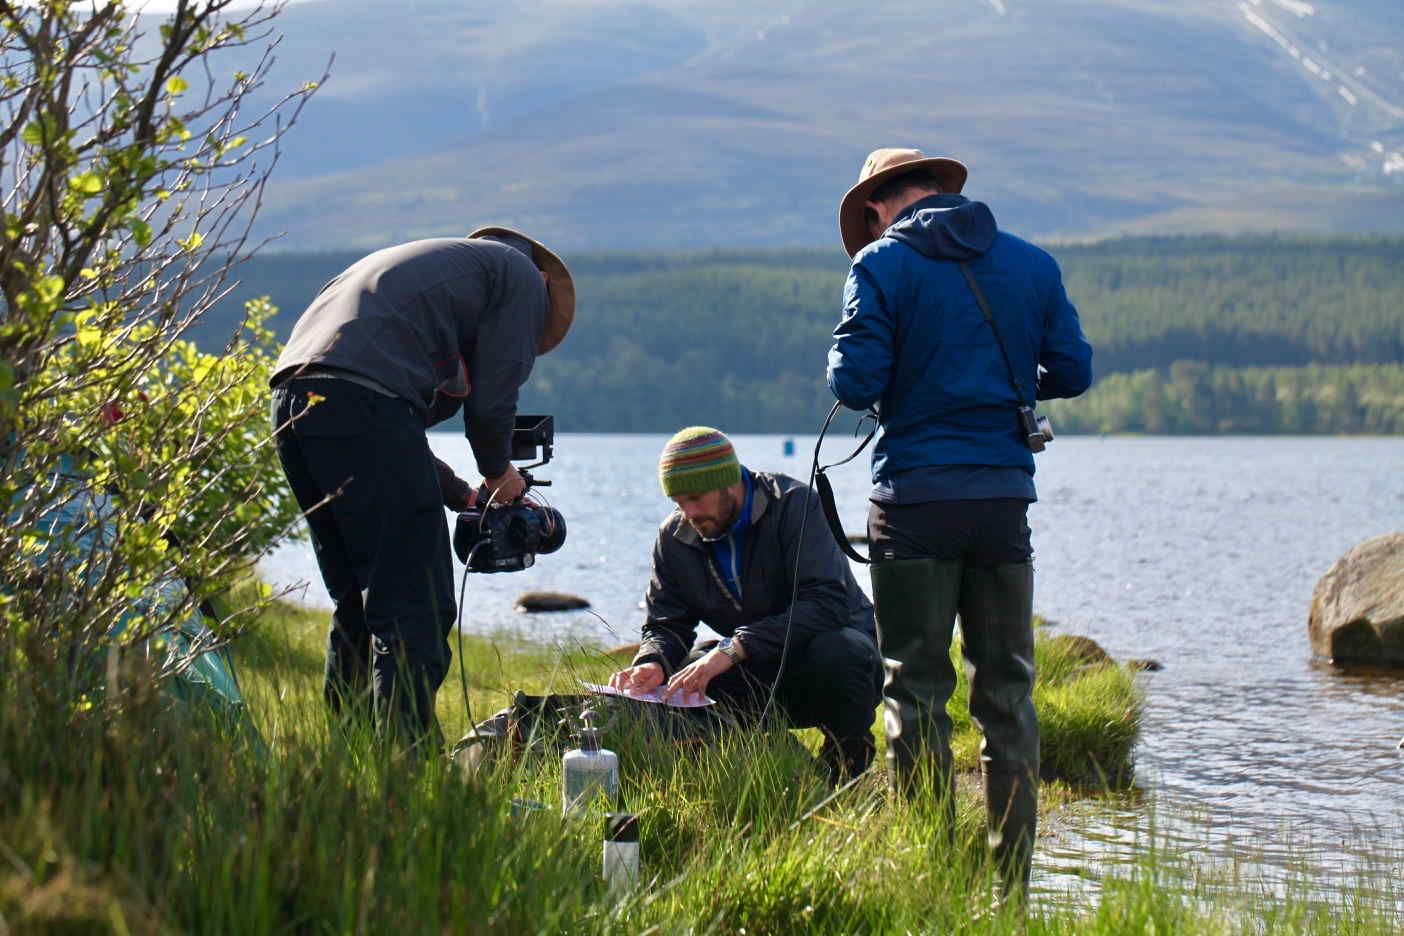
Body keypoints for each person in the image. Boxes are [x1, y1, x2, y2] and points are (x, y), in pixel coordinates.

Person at [827, 148, 1093, 897]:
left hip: (913, 504)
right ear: (941, 190)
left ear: (879, 205)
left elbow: (855, 382)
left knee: (913, 688)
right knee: (1007, 692)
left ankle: (929, 876)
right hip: (1004, 502)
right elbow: (1072, 373)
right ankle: (1011, 883)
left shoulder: (880, 264)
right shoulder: (1034, 264)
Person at [270, 228, 574, 750]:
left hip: (293, 403)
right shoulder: (522, 276)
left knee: (358, 600)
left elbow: (383, 431)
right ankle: (409, 770)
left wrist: (467, 497)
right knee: (417, 606)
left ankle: (351, 758)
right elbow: (494, 395)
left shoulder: (414, 285)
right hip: (361, 404)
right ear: (544, 282)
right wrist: (501, 474)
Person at [608, 427, 883, 783]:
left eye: (695, 498)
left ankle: (848, 762)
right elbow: (666, 623)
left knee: (841, 650)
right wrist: (652, 661)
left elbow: (827, 603)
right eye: (677, 501)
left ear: (728, 482)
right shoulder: (674, 536)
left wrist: (735, 646)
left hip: (831, 660)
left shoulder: (795, 504)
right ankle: (777, 765)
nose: (688, 512)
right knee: (683, 675)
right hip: (757, 664)